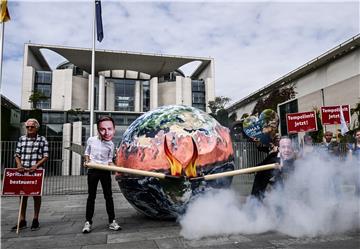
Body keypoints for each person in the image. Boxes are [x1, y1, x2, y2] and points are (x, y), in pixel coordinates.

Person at [82, 116, 121, 233]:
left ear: (114, 129)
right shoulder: (91, 140)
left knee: (108, 196)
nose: (106, 132)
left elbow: (109, 161)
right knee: (91, 197)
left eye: (109, 129)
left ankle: (112, 221)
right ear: (98, 129)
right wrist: (87, 161)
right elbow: (86, 153)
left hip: (105, 172)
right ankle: (88, 222)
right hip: (93, 171)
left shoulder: (111, 144)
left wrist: (118, 170)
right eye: (102, 129)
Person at [12, 118, 49, 231]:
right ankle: (22, 220)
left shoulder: (42, 140)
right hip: (23, 171)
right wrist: (18, 165)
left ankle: (35, 219)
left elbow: (45, 156)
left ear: (36, 127)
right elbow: (17, 154)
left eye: (32, 126)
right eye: (27, 127)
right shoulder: (21, 139)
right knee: (22, 196)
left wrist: (36, 165)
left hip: (35, 172)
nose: (29, 128)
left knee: (36, 195)